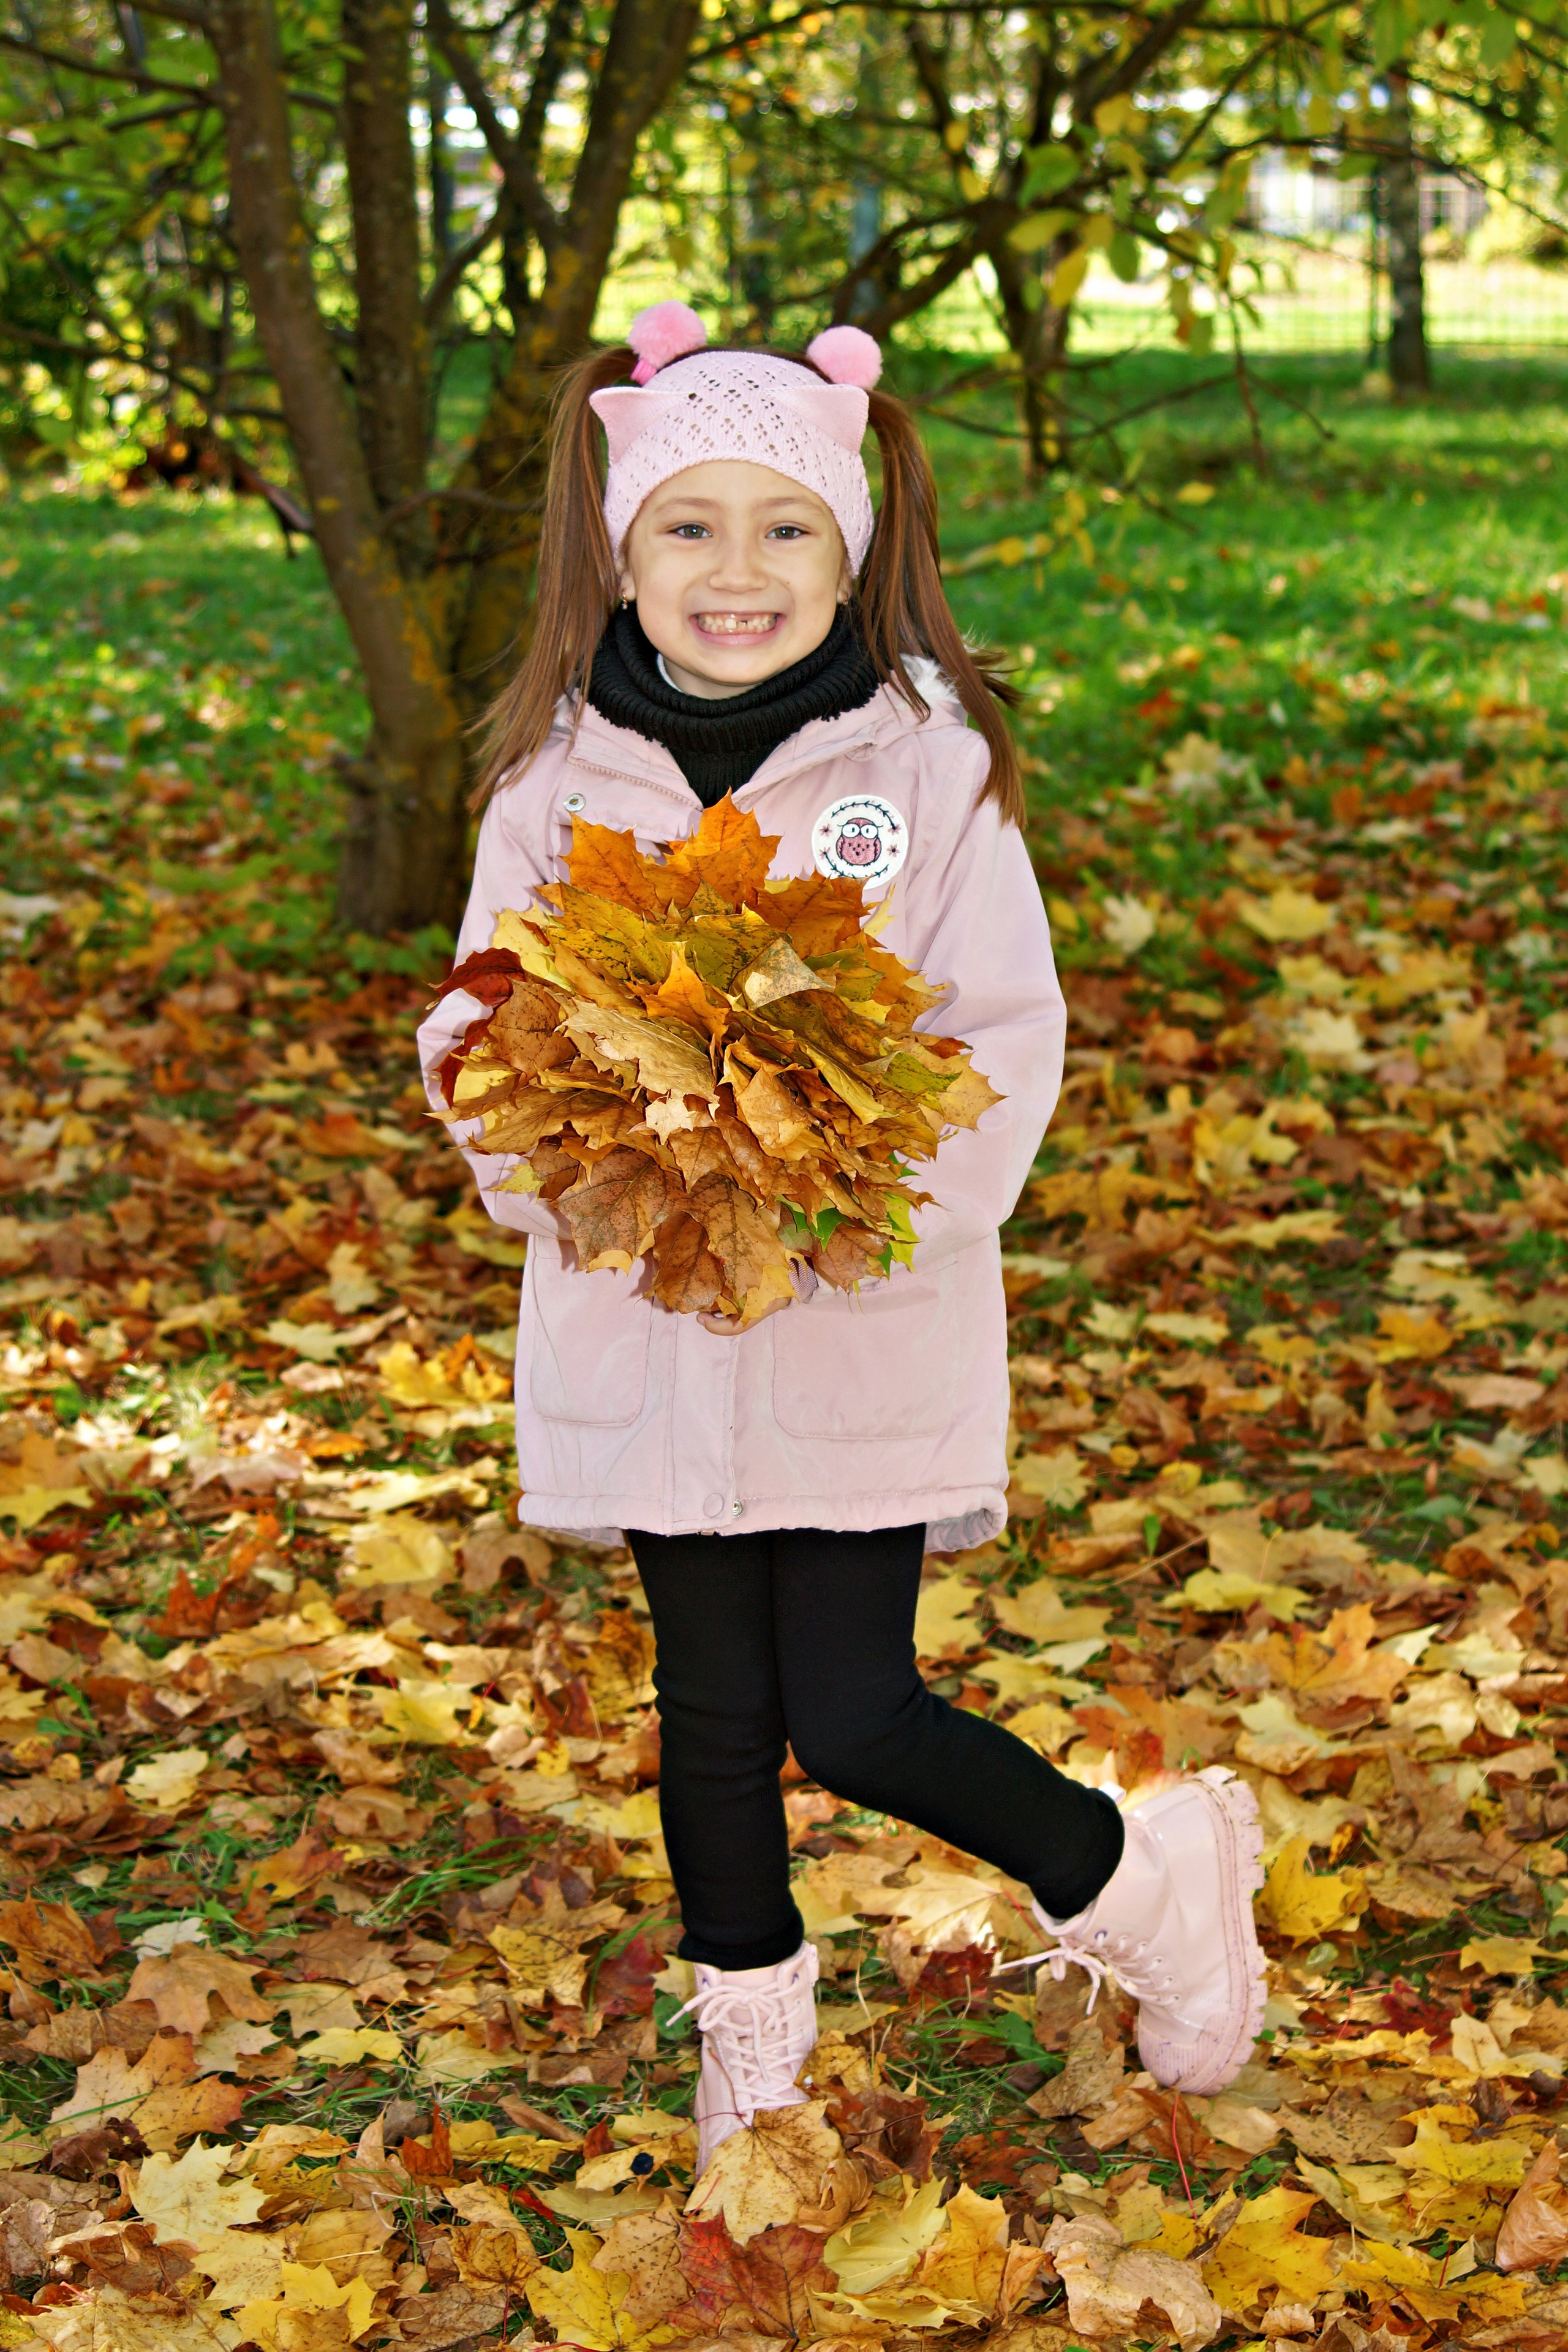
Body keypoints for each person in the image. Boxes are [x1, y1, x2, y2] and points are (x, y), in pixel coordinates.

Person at [417, 300, 1265, 2174]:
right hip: (646, 1328)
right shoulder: (552, 787)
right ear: (621, 552)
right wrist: (571, 1173)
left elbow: (1000, 1048)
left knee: (858, 1710)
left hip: (857, 1326)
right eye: (689, 527)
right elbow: (476, 1034)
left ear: (853, 552)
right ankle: (757, 2069)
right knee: (711, 1714)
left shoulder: (924, 776)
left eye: (785, 526)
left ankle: (1144, 1873)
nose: (738, 570)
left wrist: (831, 1223)